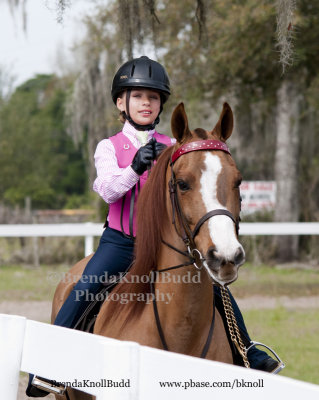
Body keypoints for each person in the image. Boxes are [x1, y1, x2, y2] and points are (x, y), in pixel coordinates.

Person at [27, 56, 280, 398]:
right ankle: (49, 364)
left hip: (166, 246)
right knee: (82, 290)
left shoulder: (175, 148)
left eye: (153, 97)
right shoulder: (109, 147)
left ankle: (249, 352)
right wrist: (133, 168)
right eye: (137, 96)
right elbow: (106, 190)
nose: (146, 102)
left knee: (218, 289)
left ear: (162, 104)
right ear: (121, 102)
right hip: (120, 243)